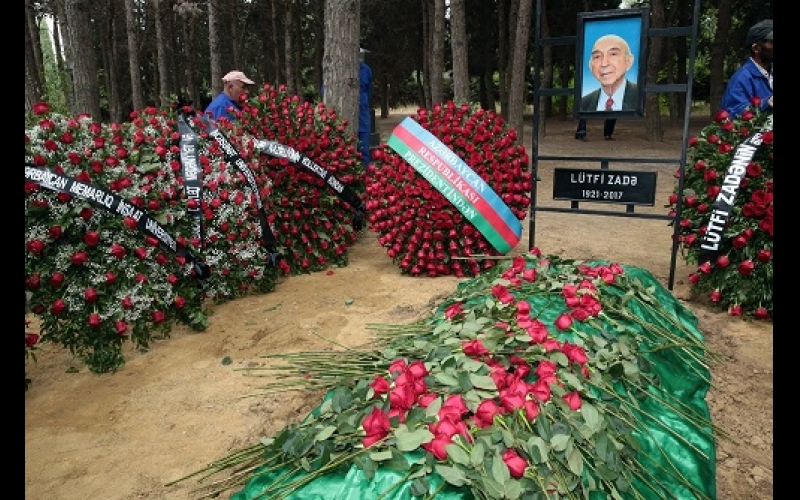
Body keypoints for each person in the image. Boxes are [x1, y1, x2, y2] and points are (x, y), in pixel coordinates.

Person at [575, 34, 638, 141]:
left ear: (629, 61)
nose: (604, 64)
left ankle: (607, 134)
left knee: (613, 113)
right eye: (597, 57)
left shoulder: (636, 94)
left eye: (613, 54)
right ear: (590, 66)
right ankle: (581, 132)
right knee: (585, 112)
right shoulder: (587, 99)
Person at [721, 19, 773, 117]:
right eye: (771, 42)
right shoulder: (741, 78)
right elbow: (733, 113)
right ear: (756, 48)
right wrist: (766, 104)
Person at [358, 49, 374, 165]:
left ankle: (365, 176)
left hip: (362, 113)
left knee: (364, 149)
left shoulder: (366, 70)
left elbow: (369, 92)